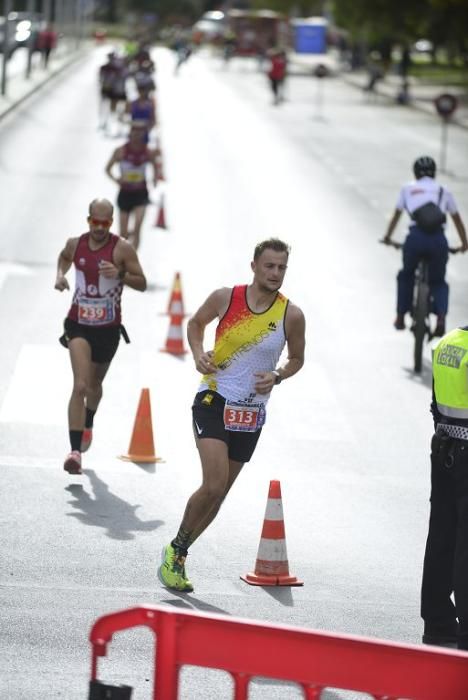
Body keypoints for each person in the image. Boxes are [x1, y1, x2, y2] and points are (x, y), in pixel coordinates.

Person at [158, 238, 306, 592]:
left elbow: (297, 357)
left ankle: (179, 552)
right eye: (269, 266)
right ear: (253, 266)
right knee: (212, 482)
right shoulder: (227, 298)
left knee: (219, 493)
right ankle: (175, 550)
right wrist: (197, 353)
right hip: (214, 398)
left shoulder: (291, 314)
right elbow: (195, 324)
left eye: (282, 267)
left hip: (251, 413)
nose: (275, 273)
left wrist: (279, 375)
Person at [54, 198, 147, 475]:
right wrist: (60, 275)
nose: (99, 228)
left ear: (111, 222)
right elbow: (63, 258)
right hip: (78, 323)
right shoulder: (76, 244)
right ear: (88, 219)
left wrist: (120, 274)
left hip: (108, 329)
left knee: (94, 385)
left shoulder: (122, 248)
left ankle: (89, 422)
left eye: (104, 223)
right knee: (80, 385)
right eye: (94, 222)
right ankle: (74, 452)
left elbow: (142, 282)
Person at [382, 156, 468, 337]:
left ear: (415, 173)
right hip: (438, 241)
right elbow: (458, 220)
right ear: (434, 173)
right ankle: (441, 317)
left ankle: (400, 316)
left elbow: (396, 215)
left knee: (406, 275)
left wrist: (388, 237)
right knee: (438, 281)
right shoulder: (444, 191)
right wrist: (464, 244)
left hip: (415, 239)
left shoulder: (408, 189)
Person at [421, 324, 468, 651]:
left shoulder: (449, 342)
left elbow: (436, 404)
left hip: (445, 448)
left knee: (442, 536)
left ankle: (438, 621)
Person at [105, 123, 160, 250]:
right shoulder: (120, 151)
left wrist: (155, 178)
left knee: (137, 229)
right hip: (125, 193)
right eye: (134, 133)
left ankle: (132, 261)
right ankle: (122, 259)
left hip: (141, 193)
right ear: (130, 134)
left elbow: (155, 165)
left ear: (143, 136)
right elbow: (107, 169)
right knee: (123, 233)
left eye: (139, 134)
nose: (136, 137)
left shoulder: (148, 151)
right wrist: (116, 180)